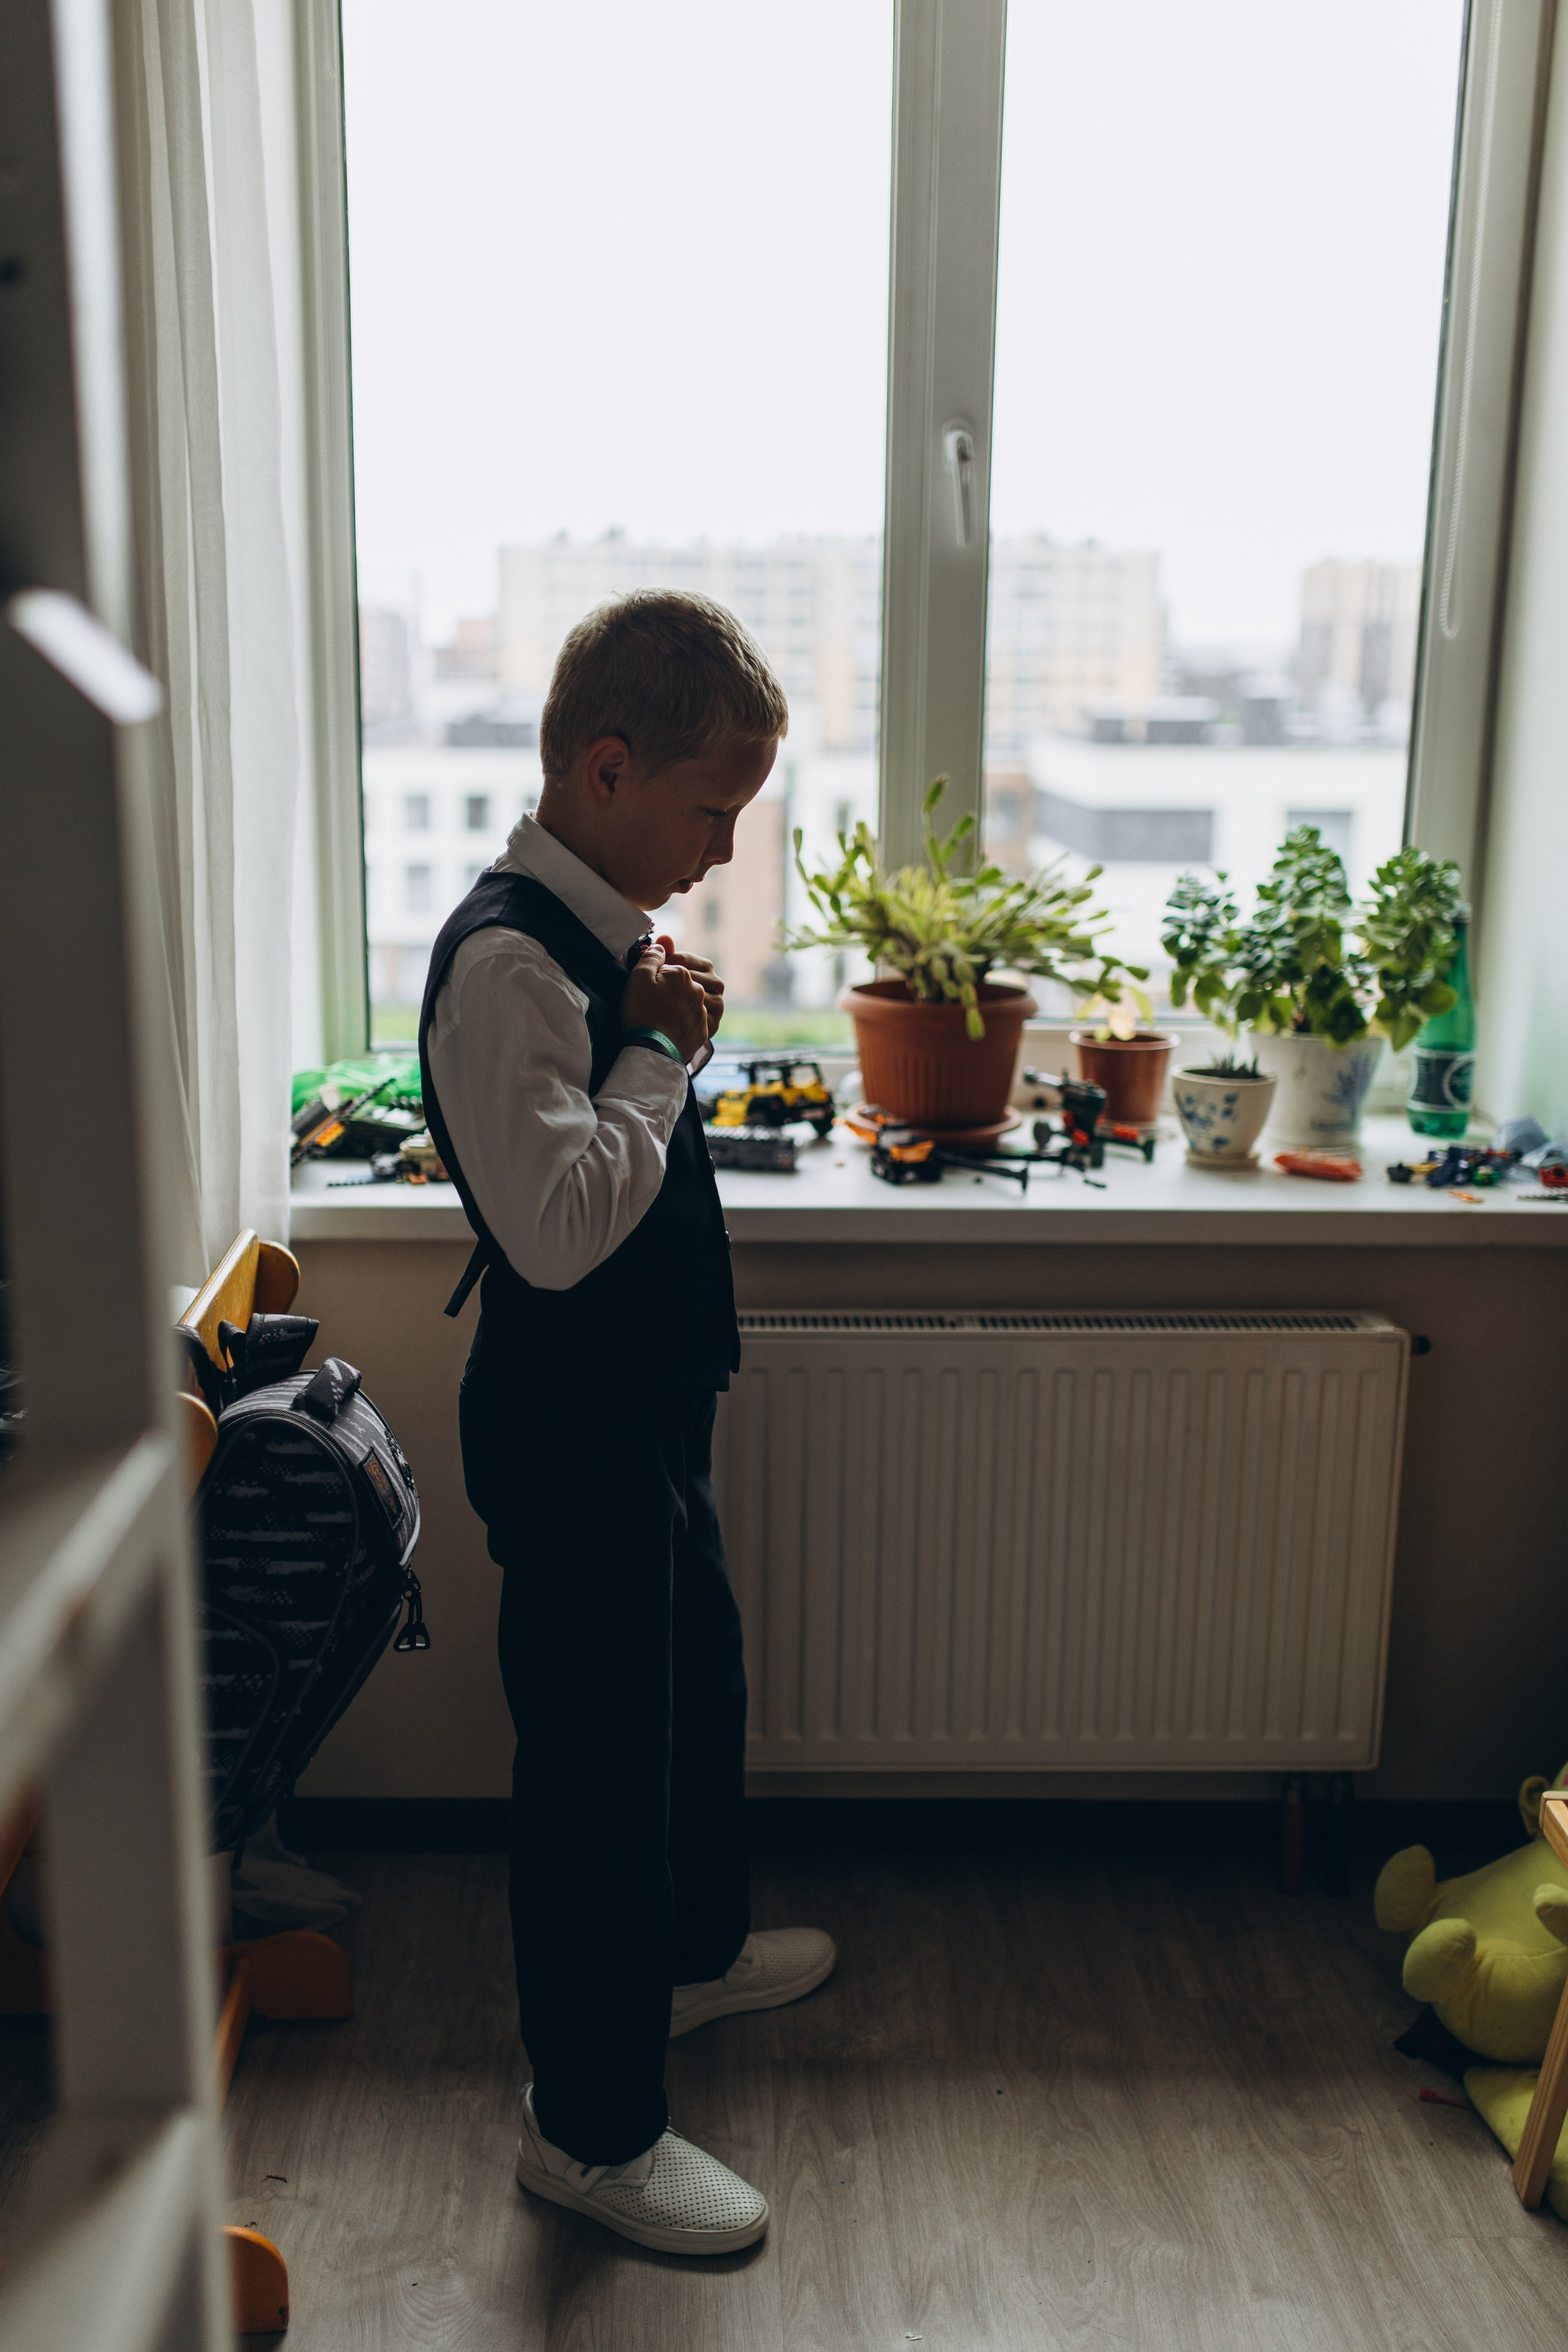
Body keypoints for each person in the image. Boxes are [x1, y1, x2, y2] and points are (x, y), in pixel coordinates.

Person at [417, 590, 836, 2258]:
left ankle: (689, 1957)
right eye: (707, 811)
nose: (725, 851)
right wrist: (659, 1054)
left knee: (689, 1692)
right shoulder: (513, 960)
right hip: (569, 1426)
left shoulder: (597, 939)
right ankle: (587, 2131)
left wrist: (648, 1025)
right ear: (604, 769)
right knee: (592, 1773)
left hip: (642, 1410)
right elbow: (559, 1226)